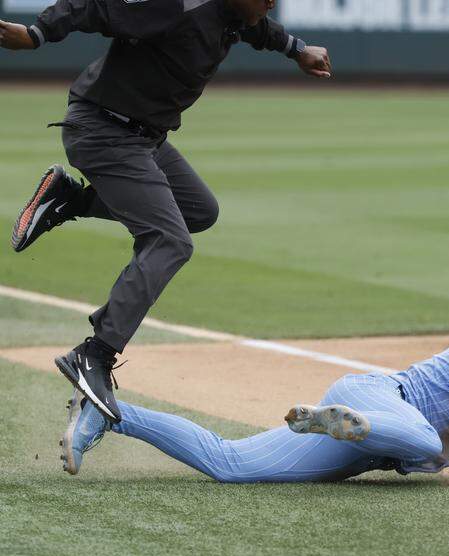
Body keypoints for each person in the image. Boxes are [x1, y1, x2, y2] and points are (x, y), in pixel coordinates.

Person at [1, 0, 332, 426]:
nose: (271, 2)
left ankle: (71, 199)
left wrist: (296, 48)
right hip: (103, 130)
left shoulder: (234, 12)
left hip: (144, 138)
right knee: (171, 240)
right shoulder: (175, 5)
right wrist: (36, 35)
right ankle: (94, 354)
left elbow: (254, 27)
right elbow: (96, 7)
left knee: (199, 210)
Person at [60, 287, 449, 487]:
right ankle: (343, 422)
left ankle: (108, 413)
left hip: (372, 438)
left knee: (231, 467)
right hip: (373, 399)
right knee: (422, 440)